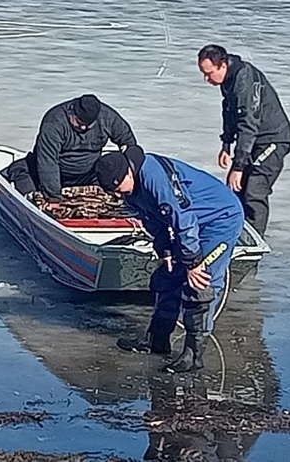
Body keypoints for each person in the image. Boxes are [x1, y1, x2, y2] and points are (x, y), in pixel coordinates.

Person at [95, 145, 244, 373]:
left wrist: (193, 263)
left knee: (199, 284)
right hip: (191, 223)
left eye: (118, 187)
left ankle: (193, 355)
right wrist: (165, 251)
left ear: (128, 172)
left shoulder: (155, 179)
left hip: (219, 219)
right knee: (167, 276)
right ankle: (157, 340)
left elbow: (184, 220)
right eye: (112, 191)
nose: (117, 195)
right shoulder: (128, 191)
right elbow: (153, 220)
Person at [197, 45, 290, 238]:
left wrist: (238, 167)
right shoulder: (228, 79)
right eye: (203, 74)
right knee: (235, 189)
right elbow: (229, 111)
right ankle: (235, 232)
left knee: (254, 191)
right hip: (254, 140)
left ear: (222, 65)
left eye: (208, 74)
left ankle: (255, 239)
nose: (206, 79)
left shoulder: (244, 81)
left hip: (273, 139)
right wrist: (226, 144)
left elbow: (248, 124)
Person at [4, 94, 136, 208]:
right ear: (71, 112)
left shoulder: (108, 117)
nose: (83, 127)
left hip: (89, 174)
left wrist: (126, 179)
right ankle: (28, 205)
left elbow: (129, 145)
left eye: (88, 125)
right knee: (20, 169)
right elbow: (47, 161)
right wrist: (53, 197)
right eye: (79, 122)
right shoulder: (54, 121)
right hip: (52, 173)